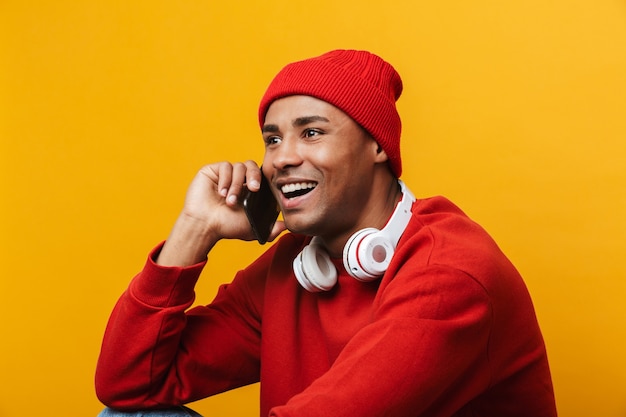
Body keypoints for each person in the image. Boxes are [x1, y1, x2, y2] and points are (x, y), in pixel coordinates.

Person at [95, 49, 557, 417]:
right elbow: (130, 382)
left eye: (311, 133)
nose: (280, 159)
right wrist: (195, 230)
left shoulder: (452, 275)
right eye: (272, 139)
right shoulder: (294, 266)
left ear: (378, 145)